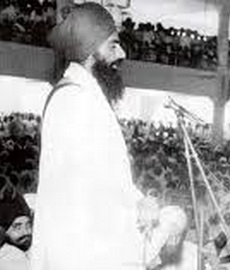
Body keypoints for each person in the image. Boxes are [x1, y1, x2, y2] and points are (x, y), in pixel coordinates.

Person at [31, 3, 160, 270]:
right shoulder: (73, 100)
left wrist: (141, 202)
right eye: (113, 45)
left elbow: (106, 178)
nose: (122, 53)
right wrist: (143, 211)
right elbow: (90, 198)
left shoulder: (86, 96)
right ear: (89, 50)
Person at [0, 193, 32, 270]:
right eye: (17, 227)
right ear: (3, 230)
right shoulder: (9, 255)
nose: (26, 232)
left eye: (28, 225)